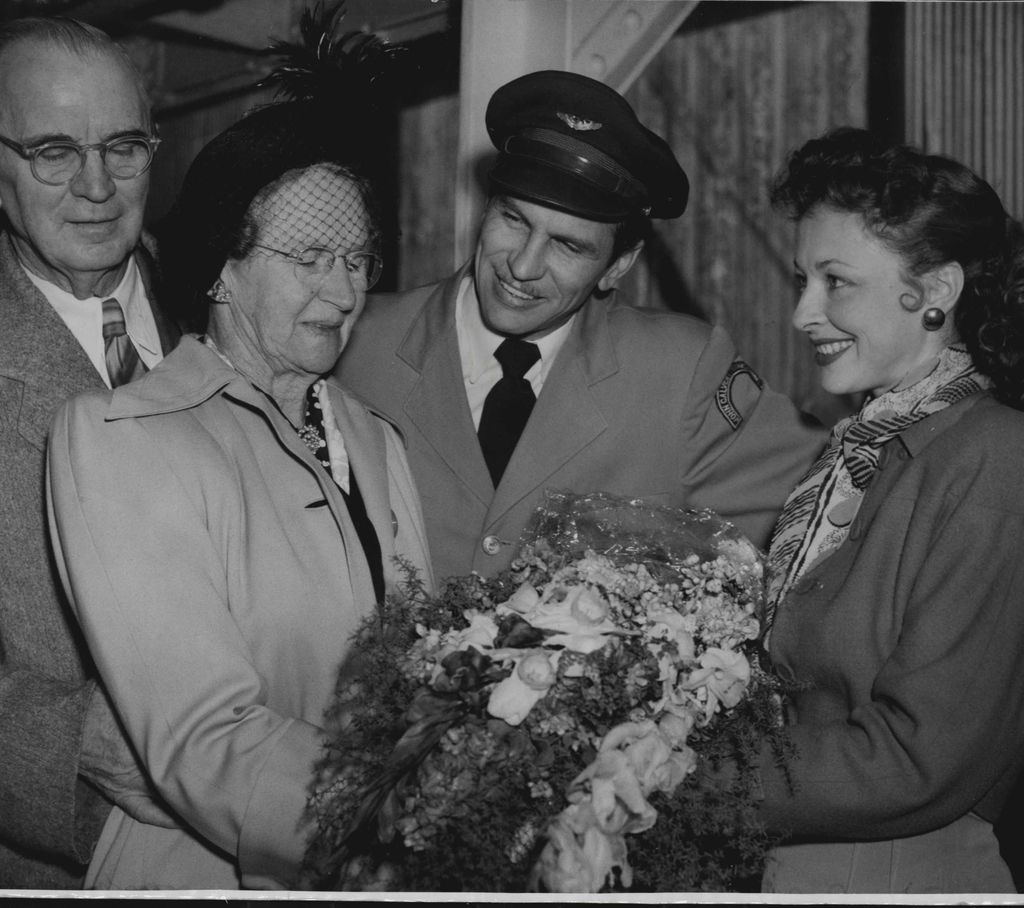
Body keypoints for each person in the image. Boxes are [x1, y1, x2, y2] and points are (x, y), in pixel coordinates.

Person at [45, 25, 433, 889]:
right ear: (221, 268)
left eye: (357, 257)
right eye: (307, 258)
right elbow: (204, 739)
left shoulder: (375, 438)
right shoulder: (125, 439)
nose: (346, 292)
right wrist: (408, 833)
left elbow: (420, 677)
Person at [335, 70, 825, 582]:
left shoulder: (680, 372)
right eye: (514, 220)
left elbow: (830, 501)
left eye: (568, 245)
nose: (522, 266)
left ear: (618, 265)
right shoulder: (355, 343)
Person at [755, 126, 1024, 893]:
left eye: (836, 281)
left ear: (936, 290)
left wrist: (680, 769)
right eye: (801, 281)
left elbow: (917, 759)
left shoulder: (994, 457)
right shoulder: (861, 449)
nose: (804, 314)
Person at [0, 16, 179, 887]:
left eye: (123, 146)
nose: (96, 185)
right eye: (52, 150)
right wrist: (70, 742)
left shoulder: (233, 304)